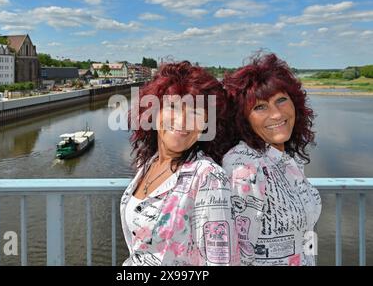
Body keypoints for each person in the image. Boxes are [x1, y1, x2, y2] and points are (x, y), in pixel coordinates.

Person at [120, 61, 239, 266]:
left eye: (195, 112)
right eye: (172, 107)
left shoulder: (208, 177)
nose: (182, 121)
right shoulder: (148, 163)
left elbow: (220, 262)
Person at [222, 53, 322, 266]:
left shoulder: (287, 159)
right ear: (243, 118)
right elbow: (237, 255)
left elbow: (306, 233)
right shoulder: (245, 166)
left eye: (281, 100)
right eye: (260, 107)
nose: (276, 114)